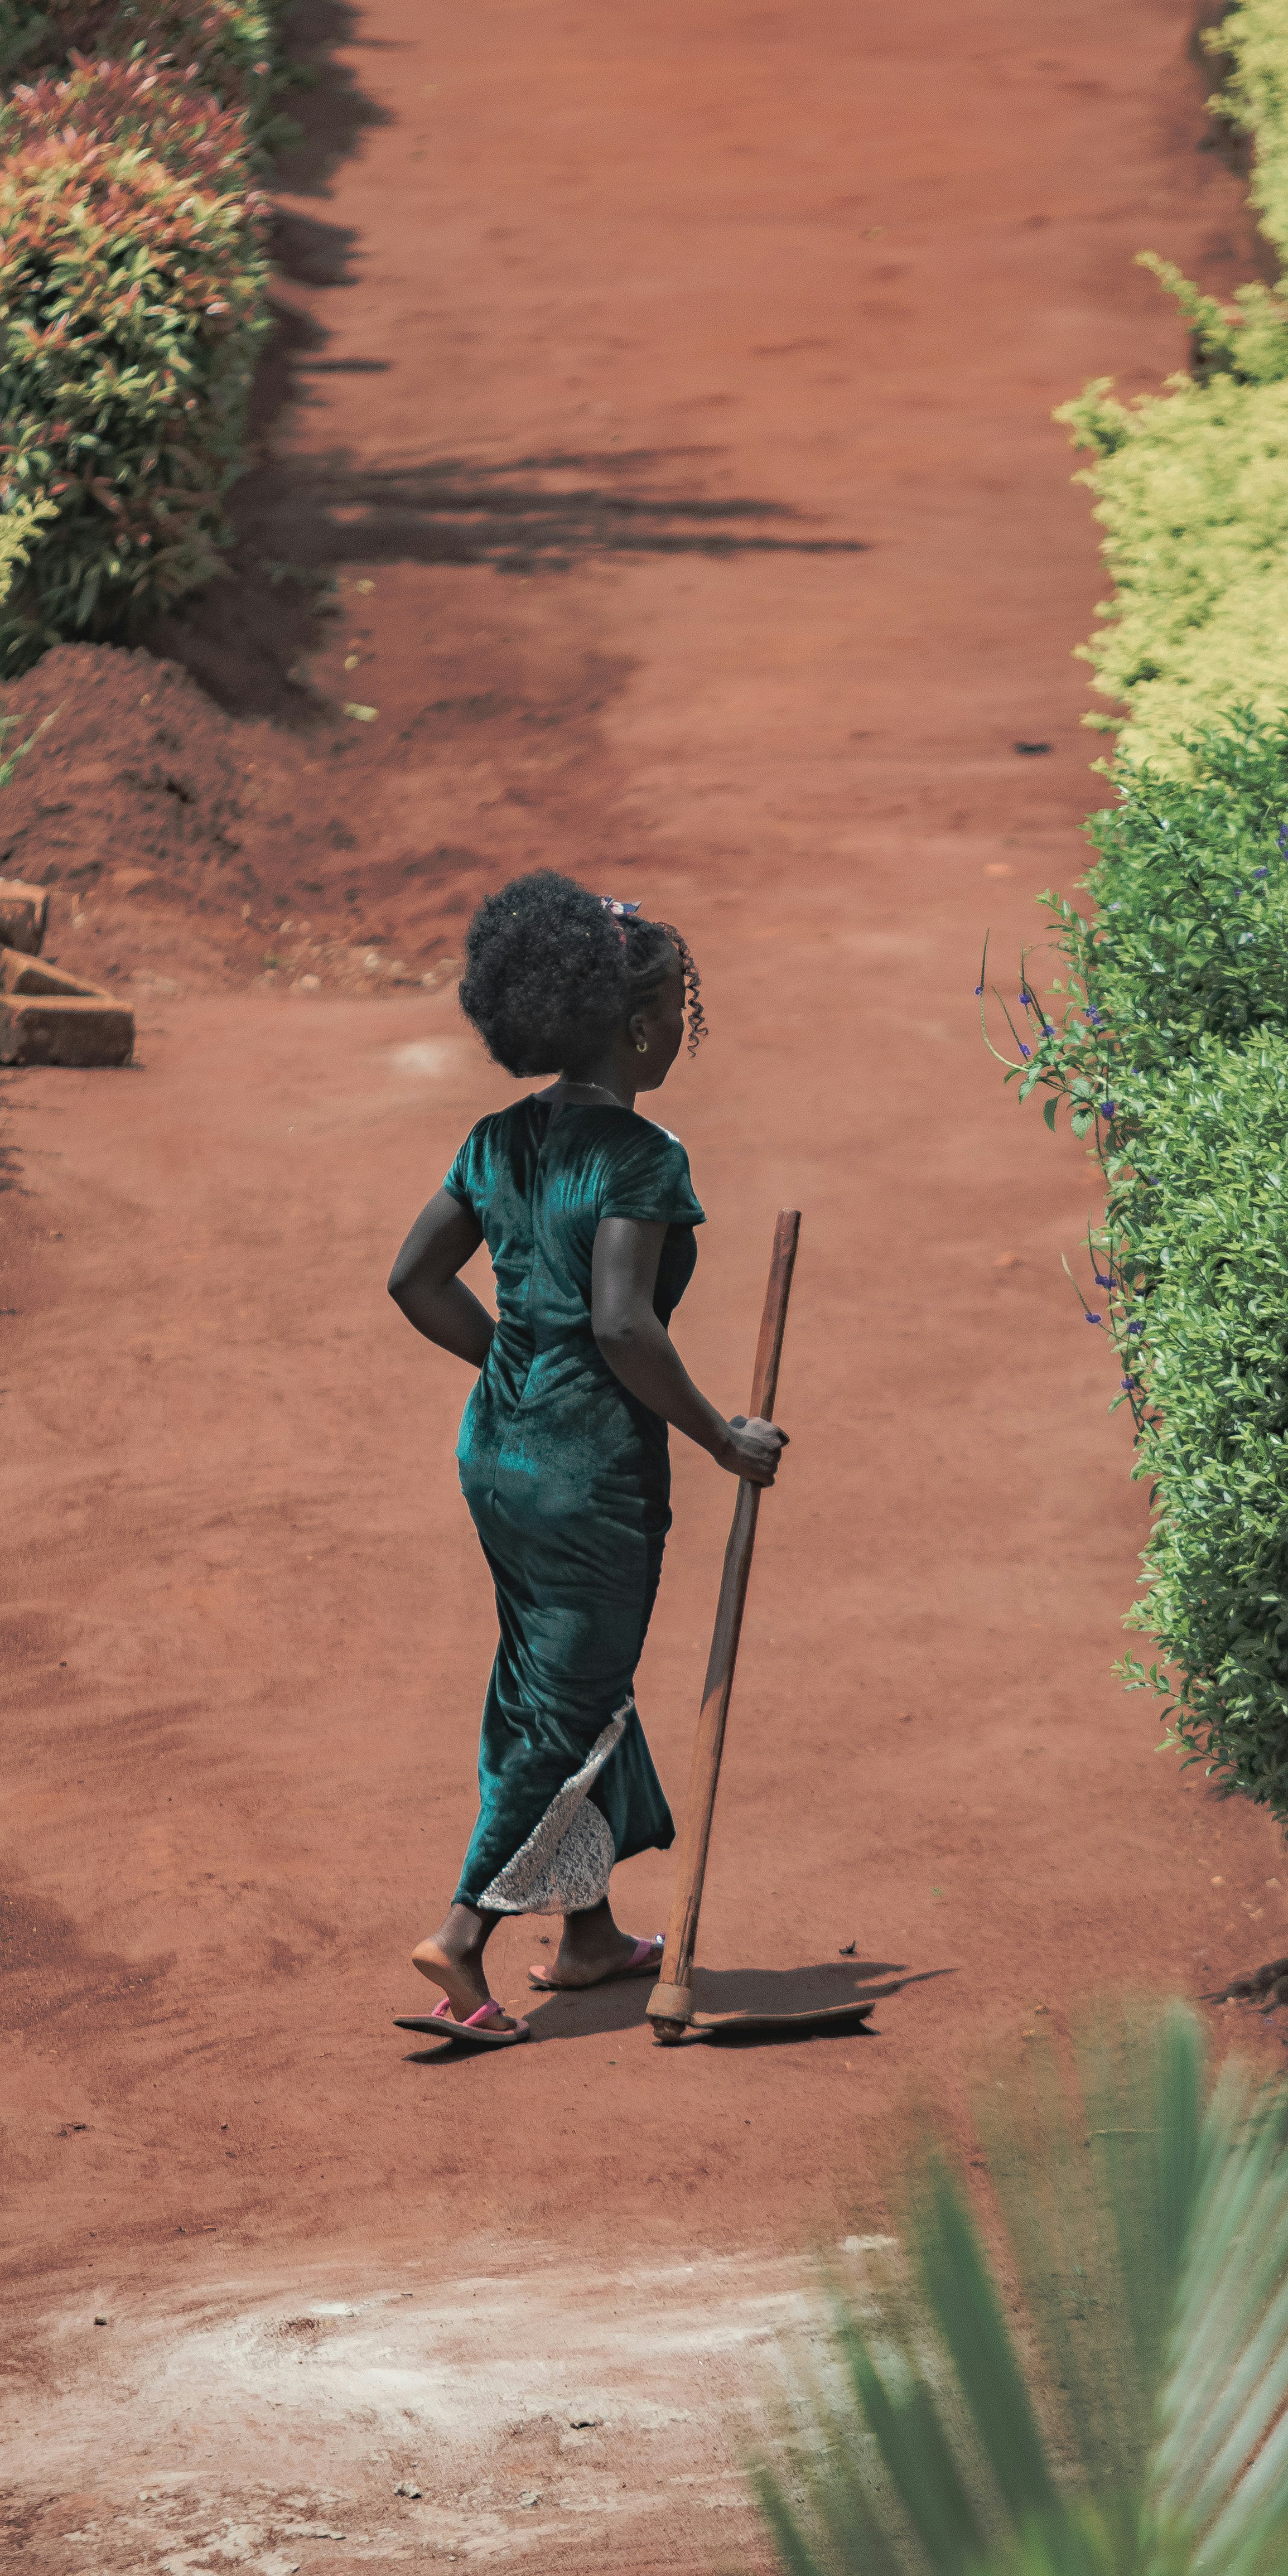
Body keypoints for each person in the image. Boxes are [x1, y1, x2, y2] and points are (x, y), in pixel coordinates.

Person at [388, 870, 787, 2047]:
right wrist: (721, 1436)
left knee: (558, 1676)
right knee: (563, 1701)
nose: (680, 1028)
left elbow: (414, 1280)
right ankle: (461, 1938)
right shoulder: (642, 1156)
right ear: (635, 1027)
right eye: (675, 1010)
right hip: (589, 1474)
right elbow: (621, 1323)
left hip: (498, 1455)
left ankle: (591, 1935)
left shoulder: (496, 1139)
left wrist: (512, 1362)